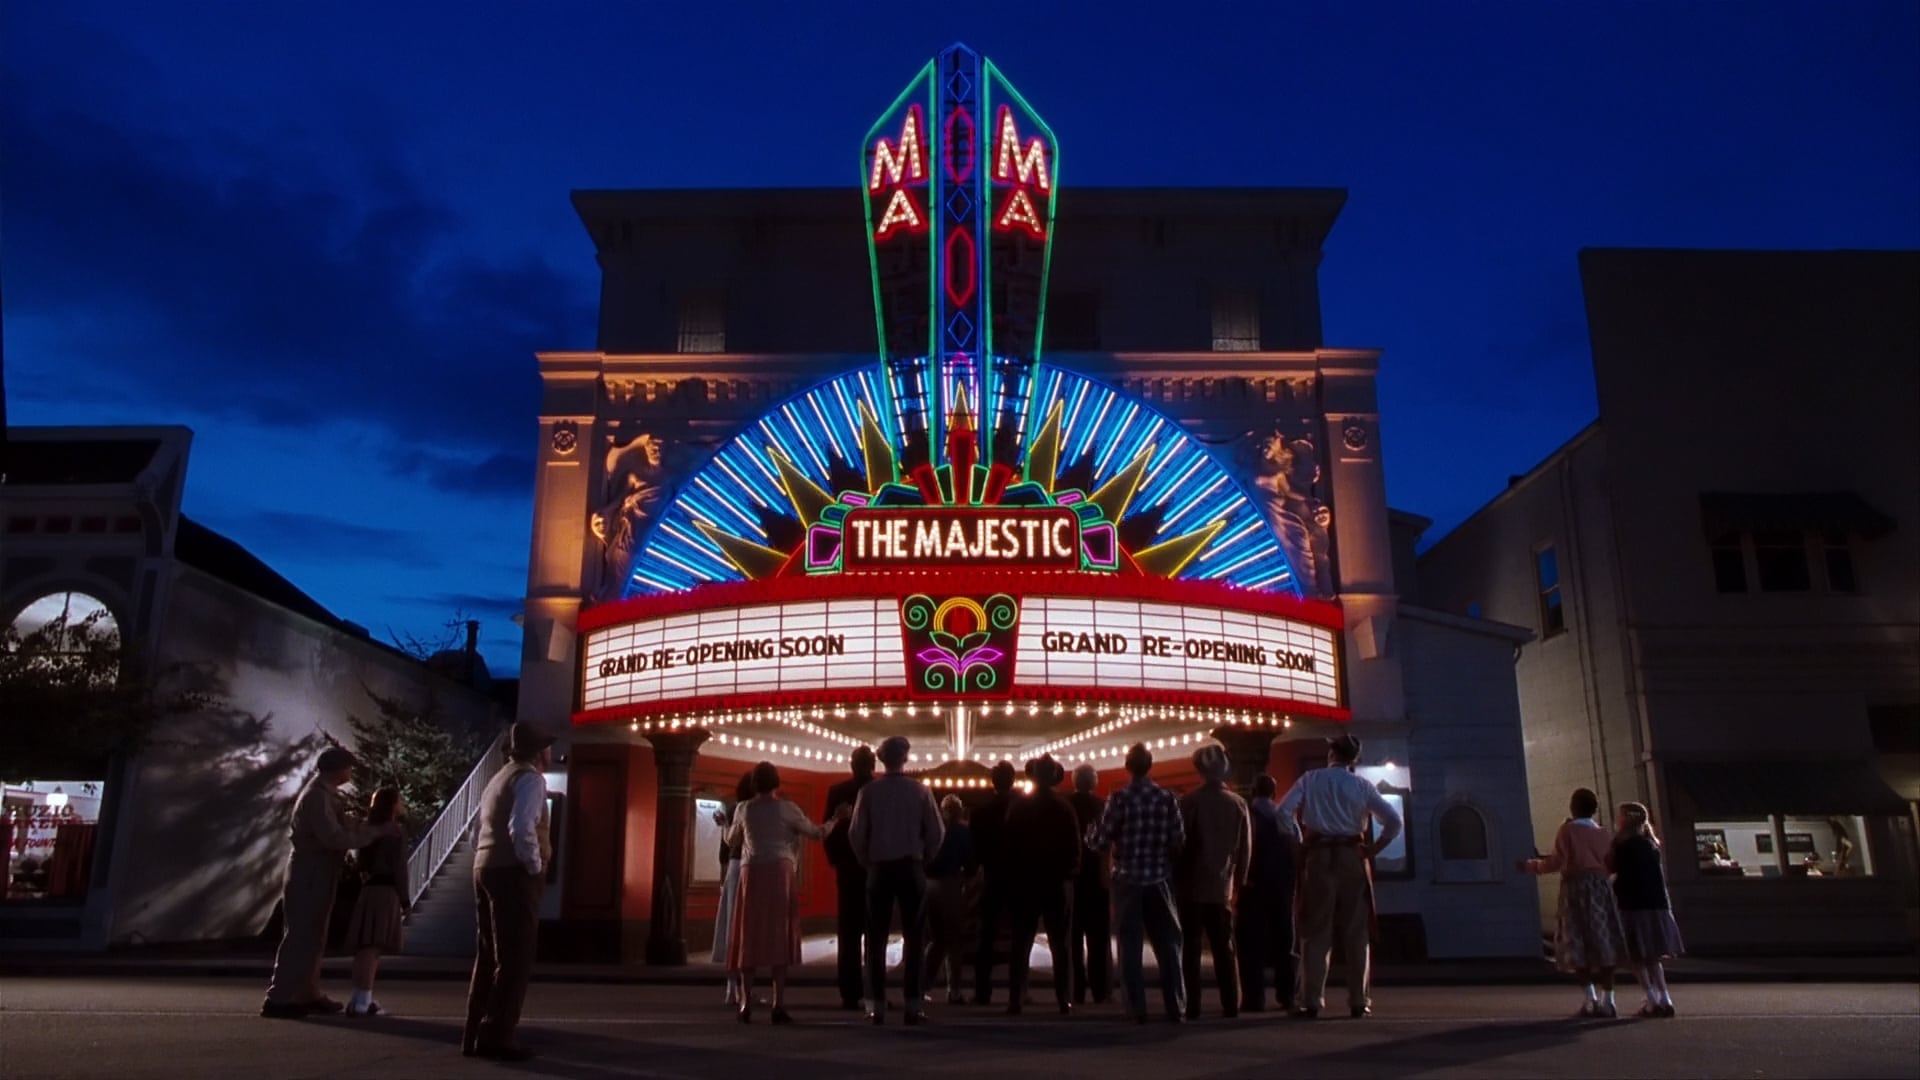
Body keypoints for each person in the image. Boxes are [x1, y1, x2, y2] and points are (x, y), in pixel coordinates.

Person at [261, 746, 402, 1019]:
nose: (350, 772)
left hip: (320, 869)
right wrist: (374, 833)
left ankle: (306, 993)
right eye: (348, 767)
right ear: (338, 769)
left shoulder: (326, 795)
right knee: (301, 934)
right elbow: (333, 837)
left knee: (315, 936)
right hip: (310, 869)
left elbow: (344, 826)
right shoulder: (316, 797)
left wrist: (368, 827)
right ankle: (280, 997)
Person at [1278, 733, 1401, 1020]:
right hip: (1352, 856)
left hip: (1318, 855)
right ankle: (1359, 1000)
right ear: (1353, 758)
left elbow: (1283, 812)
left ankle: (1311, 1000)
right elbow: (1393, 821)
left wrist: (1296, 842)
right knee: (1356, 931)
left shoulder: (1311, 779)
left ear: (1331, 753)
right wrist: (1372, 850)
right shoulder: (1362, 785)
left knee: (1315, 930)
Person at [463, 723, 555, 1061]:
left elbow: (476, 832)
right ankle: (498, 1036)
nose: (550, 752)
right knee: (515, 957)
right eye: (547, 746)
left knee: (488, 954)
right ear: (539, 751)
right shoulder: (530, 779)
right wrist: (534, 866)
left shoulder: (498, 778)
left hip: (484, 867)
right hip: (513, 874)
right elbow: (521, 827)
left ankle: (474, 1032)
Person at [725, 761, 839, 1024]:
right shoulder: (788, 808)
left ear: (754, 783)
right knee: (779, 933)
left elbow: (732, 840)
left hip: (751, 871)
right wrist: (835, 819)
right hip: (780, 870)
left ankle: (745, 1002)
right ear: (776, 782)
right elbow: (816, 833)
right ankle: (778, 1003)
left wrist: (723, 827)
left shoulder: (744, 808)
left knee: (749, 933)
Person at [1088, 742, 1186, 1024]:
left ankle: (1136, 1008)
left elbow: (1102, 840)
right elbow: (1178, 839)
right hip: (1159, 878)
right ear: (1150, 766)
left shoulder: (1119, 798)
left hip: (1128, 878)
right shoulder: (1166, 798)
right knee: (1168, 944)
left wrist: (1090, 834)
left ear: (1128, 767)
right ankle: (1176, 1005)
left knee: (1129, 946)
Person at [850, 736, 944, 1025]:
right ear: (905, 758)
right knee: (915, 937)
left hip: (879, 867)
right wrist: (925, 858)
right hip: (911, 865)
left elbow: (856, 833)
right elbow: (936, 831)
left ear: (881, 760)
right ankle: (913, 1005)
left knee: (875, 937)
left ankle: (875, 1005)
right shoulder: (920, 791)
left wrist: (866, 861)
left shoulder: (868, 792)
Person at [1520, 787, 1629, 1019]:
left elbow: (1556, 861)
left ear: (1573, 807)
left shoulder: (1567, 830)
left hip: (1576, 888)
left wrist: (1531, 866)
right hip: (1601, 888)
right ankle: (1609, 1000)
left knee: (1575, 941)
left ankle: (1590, 999)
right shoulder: (1603, 833)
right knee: (1604, 941)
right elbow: (1611, 863)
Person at [1177, 744, 1250, 1020]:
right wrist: (1240, 882)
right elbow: (1245, 849)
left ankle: (1192, 1004)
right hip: (1222, 887)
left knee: (1191, 948)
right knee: (1224, 948)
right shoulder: (1238, 803)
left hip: (1191, 886)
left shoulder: (1189, 802)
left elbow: (1180, 844)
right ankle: (1230, 1002)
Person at [1005, 755, 1081, 1015]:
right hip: (1056, 882)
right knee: (1060, 943)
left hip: (1025, 881)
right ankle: (1064, 998)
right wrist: (1069, 874)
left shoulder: (1019, 806)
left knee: (1021, 942)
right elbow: (1074, 847)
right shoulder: (1064, 807)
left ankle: (1016, 997)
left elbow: (1009, 846)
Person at [1611, 801, 1682, 1018]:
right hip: (1657, 904)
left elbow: (1615, 871)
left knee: (1636, 956)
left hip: (1633, 905)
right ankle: (1665, 997)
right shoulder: (1651, 844)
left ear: (1626, 819)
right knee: (1653, 957)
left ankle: (1650, 998)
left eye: (1620, 815)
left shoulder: (1622, 844)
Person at [344, 787, 410, 1018]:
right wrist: (405, 899)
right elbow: (399, 868)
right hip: (386, 891)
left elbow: (358, 861)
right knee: (373, 949)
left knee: (365, 948)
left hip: (369, 889)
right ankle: (363, 1000)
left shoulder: (367, 829)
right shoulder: (394, 832)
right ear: (392, 805)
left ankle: (359, 997)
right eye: (399, 801)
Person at [1238, 774, 1300, 1012]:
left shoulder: (1247, 815)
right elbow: (1296, 847)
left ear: (1253, 792)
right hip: (1282, 886)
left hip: (1253, 885)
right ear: (1274, 793)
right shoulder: (1285, 816)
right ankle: (1287, 995)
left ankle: (1254, 998)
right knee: (1285, 941)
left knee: (1251, 943)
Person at [824, 746, 877, 1011]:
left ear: (852, 765)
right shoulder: (881, 791)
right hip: (877, 868)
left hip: (848, 870)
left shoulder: (838, 792)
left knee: (848, 933)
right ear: (873, 765)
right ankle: (874, 992)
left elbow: (829, 833)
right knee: (876, 933)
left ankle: (849, 992)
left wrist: (837, 862)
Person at [970, 761, 1020, 1006]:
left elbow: (975, 849)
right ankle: (1017, 992)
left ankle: (982, 991)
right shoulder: (1022, 809)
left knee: (986, 935)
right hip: (1017, 876)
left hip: (992, 875)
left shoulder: (981, 811)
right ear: (1013, 780)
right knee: (1019, 936)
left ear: (993, 781)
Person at [923, 794, 976, 1006]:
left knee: (936, 938)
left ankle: (921, 985)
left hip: (928, 884)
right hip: (950, 885)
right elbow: (970, 864)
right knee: (954, 939)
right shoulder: (963, 832)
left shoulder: (933, 830)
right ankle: (954, 990)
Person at [1067, 763, 1112, 1006]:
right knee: (1098, 939)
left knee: (1073, 938)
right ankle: (1100, 989)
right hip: (1097, 879)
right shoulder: (1102, 806)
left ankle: (1076, 989)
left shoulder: (1067, 805)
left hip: (1073, 879)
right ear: (1094, 783)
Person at [713, 770, 755, 1007]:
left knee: (732, 925)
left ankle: (732, 987)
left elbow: (725, 850)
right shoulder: (756, 810)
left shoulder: (733, 809)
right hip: (749, 867)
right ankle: (742, 989)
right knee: (746, 928)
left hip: (733, 867)